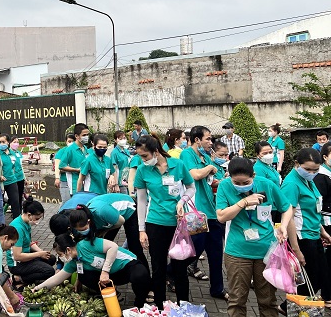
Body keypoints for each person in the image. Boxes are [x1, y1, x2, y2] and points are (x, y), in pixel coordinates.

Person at [216, 157, 292, 317]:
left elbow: (287, 207)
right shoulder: (224, 186)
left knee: (268, 301)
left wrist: (283, 226)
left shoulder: (267, 185)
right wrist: (243, 202)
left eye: (246, 182)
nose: (242, 186)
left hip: (266, 252)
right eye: (237, 182)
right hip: (237, 252)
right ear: (229, 176)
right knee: (237, 301)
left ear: (254, 175)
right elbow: (221, 217)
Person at [134, 134, 196, 309]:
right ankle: (160, 307)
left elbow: (191, 187)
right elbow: (141, 201)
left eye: (145, 156)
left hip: (178, 225)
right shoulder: (142, 170)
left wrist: (181, 201)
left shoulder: (178, 165)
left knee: (180, 269)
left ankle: (183, 306)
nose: (143, 160)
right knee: (158, 268)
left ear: (155, 151)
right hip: (155, 224)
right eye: (140, 156)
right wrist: (141, 229)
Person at [34, 233, 150, 307]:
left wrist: (105, 270)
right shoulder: (74, 262)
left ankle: (139, 303)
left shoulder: (87, 244)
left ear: (68, 250)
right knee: (83, 276)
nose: (60, 258)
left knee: (140, 275)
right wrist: (37, 289)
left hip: (126, 265)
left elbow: (112, 247)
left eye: (60, 254)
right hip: (110, 276)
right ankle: (113, 294)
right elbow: (56, 279)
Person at [180, 126, 227, 300]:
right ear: (197, 139)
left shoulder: (206, 157)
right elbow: (194, 175)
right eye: (207, 139)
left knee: (216, 252)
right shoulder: (187, 155)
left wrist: (219, 182)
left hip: (212, 211)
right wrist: (209, 169)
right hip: (196, 212)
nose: (210, 142)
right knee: (195, 249)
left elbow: (210, 180)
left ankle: (218, 288)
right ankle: (171, 271)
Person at [282, 148, 331, 313]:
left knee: (320, 277)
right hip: (302, 238)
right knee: (309, 280)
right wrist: (297, 250)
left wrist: (322, 231)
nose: (312, 173)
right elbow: (288, 218)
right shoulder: (292, 183)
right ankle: (292, 309)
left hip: (313, 234)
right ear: (297, 164)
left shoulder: (307, 181)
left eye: (315, 170)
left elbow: (312, 211)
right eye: (308, 169)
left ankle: (290, 308)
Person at [69, 194, 149, 274]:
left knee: (134, 247)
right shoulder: (80, 218)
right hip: (110, 216)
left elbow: (121, 221)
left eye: (83, 229)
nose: (82, 231)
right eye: (78, 230)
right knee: (102, 245)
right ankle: (110, 270)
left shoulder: (101, 212)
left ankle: (145, 275)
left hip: (128, 209)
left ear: (89, 221)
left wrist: (105, 231)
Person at [6, 197, 56, 286]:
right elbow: (17, 256)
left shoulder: (25, 222)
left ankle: (29, 274)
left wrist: (42, 252)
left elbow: (29, 242)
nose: (37, 221)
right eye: (37, 218)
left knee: (50, 258)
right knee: (49, 271)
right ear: (29, 215)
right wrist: (39, 254)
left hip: (26, 254)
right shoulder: (18, 228)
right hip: (17, 264)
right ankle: (18, 279)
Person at [0, 134, 22, 229]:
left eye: (3, 142)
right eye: (0, 141)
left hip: (12, 181)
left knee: (16, 204)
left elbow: (17, 166)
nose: (1, 144)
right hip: (0, 183)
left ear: (8, 143)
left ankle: (18, 226)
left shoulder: (12, 153)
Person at [316, 143, 331, 307]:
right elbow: (318, 204)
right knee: (327, 261)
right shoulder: (321, 176)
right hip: (325, 224)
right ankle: (326, 295)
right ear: (325, 157)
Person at [58, 124, 90, 199]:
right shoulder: (70, 149)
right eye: (84, 135)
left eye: (87, 134)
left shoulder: (85, 148)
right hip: (75, 186)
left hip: (86, 186)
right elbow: (61, 166)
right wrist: (76, 170)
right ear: (76, 136)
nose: (86, 137)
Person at [54, 133, 75, 203]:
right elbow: (57, 166)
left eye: (73, 141)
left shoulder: (78, 151)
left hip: (76, 181)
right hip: (64, 181)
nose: (71, 143)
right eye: (69, 141)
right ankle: (60, 213)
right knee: (66, 202)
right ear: (66, 141)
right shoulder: (61, 152)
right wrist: (57, 178)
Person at [110, 130, 133, 195]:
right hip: (120, 182)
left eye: (124, 138)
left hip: (128, 180)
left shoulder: (126, 151)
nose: (123, 140)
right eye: (120, 139)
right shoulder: (114, 153)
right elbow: (114, 169)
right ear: (115, 140)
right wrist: (116, 184)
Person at [10, 137, 26, 211]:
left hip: (20, 178)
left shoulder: (18, 153)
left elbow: (21, 166)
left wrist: (24, 178)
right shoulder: (9, 153)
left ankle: (19, 212)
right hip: (13, 179)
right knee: (14, 198)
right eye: (14, 142)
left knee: (20, 196)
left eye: (17, 142)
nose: (16, 144)